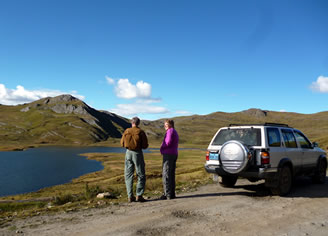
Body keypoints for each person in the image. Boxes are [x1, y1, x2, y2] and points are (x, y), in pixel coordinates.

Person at [120, 117, 149, 202]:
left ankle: (130, 196)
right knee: (141, 174)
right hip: (137, 154)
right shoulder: (140, 132)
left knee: (128, 175)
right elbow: (145, 146)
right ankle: (139, 195)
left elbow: (122, 143)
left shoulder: (126, 131)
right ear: (138, 123)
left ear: (131, 123)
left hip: (128, 153)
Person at [160, 119, 179, 200]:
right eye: (165, 124)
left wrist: (162, 147)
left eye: (166, 124)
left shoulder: (170, 131)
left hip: (168, 154)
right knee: (171, 174)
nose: (165, 126)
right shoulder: (174, 131)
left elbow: (167, 142)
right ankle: (171, 193)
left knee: (166, 174)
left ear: (170, 125)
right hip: (173, 153)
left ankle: (167, 194)